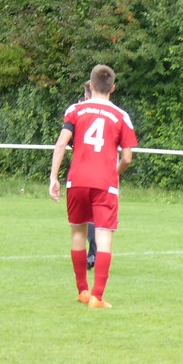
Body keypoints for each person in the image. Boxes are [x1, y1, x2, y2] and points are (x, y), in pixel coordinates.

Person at [49, 64, 137, 308]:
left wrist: (54, 177)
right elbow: (127, 158)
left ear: (90, 85)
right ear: (113, 88)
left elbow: (61, 144)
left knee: (77, 233)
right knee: (104, 235)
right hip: (104, 183)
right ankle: (97, 296)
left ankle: (82, 291)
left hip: (76, 180)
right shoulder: (121, 116)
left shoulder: (75, 110)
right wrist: (114, 173)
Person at [79, 81, 97, 269]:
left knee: (84, 217)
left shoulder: (78, 112)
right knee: (97, 216)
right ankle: (93, 254)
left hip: (82, 171)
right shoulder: (112, 113)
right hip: (103, 171)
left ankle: (91, 255)